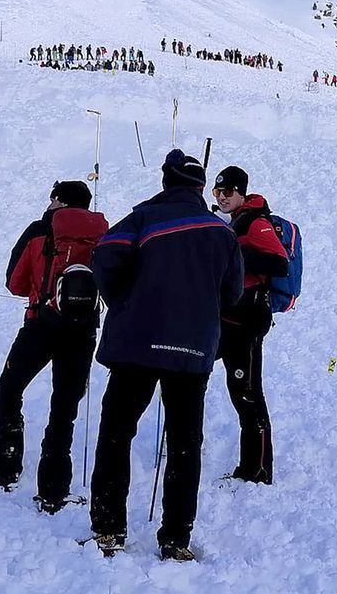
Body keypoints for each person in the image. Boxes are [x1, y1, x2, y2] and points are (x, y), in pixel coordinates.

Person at [86, 150, 243, 561]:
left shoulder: (143, 219)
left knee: (117, 434)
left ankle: (108, 529)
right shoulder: (223, 233)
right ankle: (175, 538)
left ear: (166, 182)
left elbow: (104, 255)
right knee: (185, 443)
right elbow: (232, 294)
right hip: (192, 349)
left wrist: (121, 299)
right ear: (199, 187)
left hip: (136, 344)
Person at [0, 181, 109, 513]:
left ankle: (5, 464)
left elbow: (15, 282)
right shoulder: (101, 234)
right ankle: (53, 489)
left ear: (58, 201)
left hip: (41, 323)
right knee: (65, 407)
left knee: (10, 387)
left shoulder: (40, 230)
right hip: (83, 332)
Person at [211, 166, 289, 486]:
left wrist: (237, 252)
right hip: (227, 317)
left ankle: (257, 470)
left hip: (247, 322)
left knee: (247, 393)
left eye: (228, 191)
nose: (222, 197)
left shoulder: (256, 223)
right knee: (228, 385)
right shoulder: (232, 222)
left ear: (242, 192)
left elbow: (279, 262)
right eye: (217, 192)